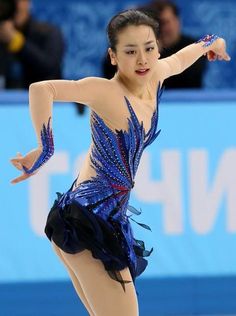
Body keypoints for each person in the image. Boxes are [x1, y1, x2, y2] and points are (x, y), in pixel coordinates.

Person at [10, 9, 230, 316]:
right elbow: (42, 89)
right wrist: (45, 148)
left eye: (149, 48)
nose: (142, 59)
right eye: (130, 51)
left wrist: (214, 43)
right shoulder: (106, 92)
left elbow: (184, 56)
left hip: (107, 222)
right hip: (86, 224)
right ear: (113, 56)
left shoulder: (155, 76)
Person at [0, 0, 64, 89]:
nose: (16, 6)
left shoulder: (49, 32)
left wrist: (17, 42)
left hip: (42, 98)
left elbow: (50, 67)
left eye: (19, 1)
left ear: (28, 3)